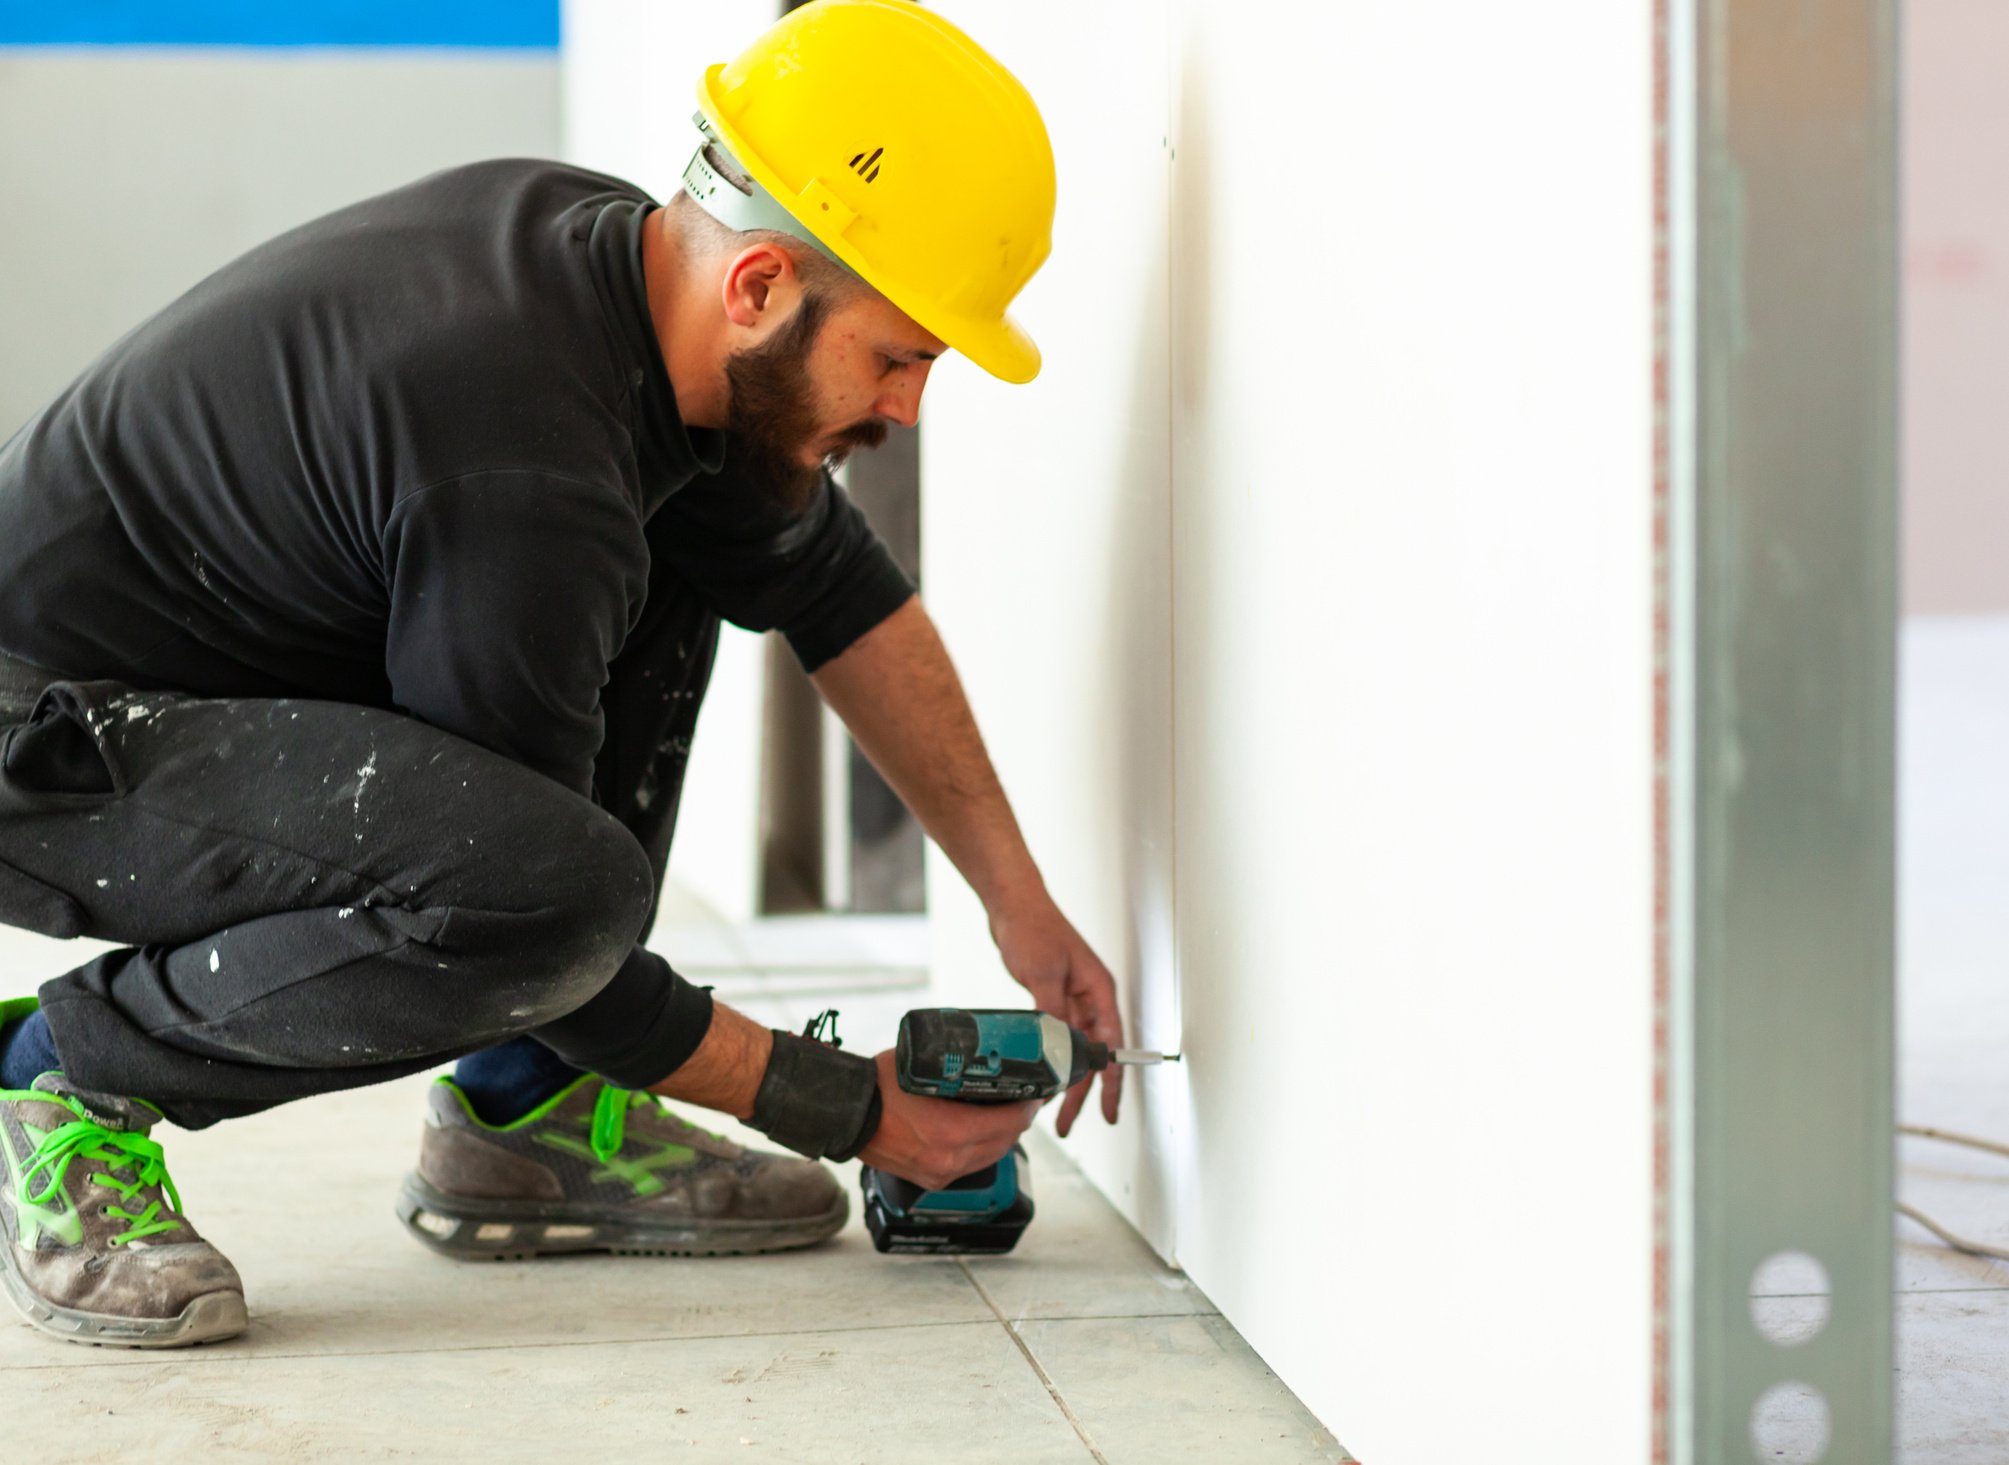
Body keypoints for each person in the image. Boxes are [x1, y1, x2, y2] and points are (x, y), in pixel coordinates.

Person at [0, 0, 1123, 1350]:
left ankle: (520, 1106)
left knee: (695, 553)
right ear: (761, 283)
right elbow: (530, 917)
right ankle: (57, 1080)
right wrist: (852, 1107)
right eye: (896, 356)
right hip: (49, 739)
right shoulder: (519, 450)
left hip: (208, 698)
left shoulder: (631, 289)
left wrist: (1021, 901)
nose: (905, 407)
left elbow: (834, 591)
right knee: (536, 901)